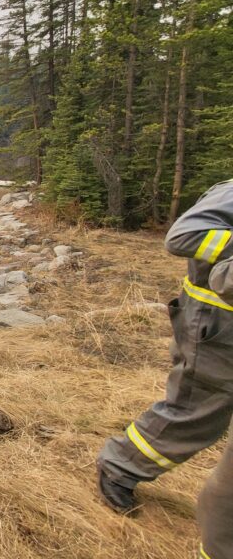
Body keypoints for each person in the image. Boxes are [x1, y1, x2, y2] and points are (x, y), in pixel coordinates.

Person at [97, 179, 233, 559]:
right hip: (217, 328)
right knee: (197, 411)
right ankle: (120, 465)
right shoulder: (231, 193)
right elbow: (182, 236)